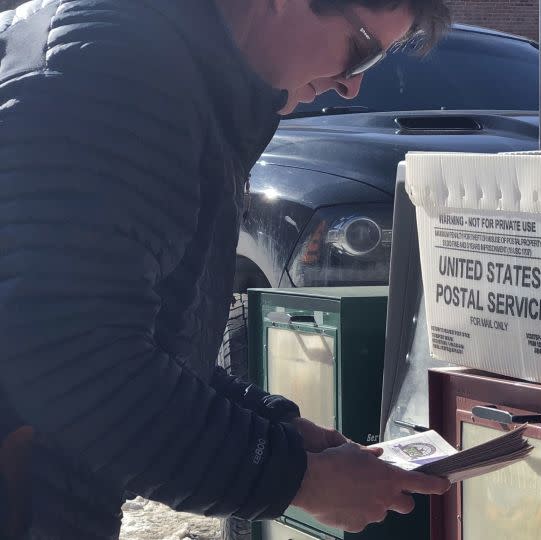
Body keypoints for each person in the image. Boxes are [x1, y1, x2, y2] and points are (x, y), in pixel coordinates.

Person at [0, 0, 451, 538]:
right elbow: (71, 360)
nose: (352, 86)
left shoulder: (152, 60)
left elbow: (124, 332)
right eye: (360, 51)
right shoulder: (113, 77)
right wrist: (297, 480)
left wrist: (275, 431)